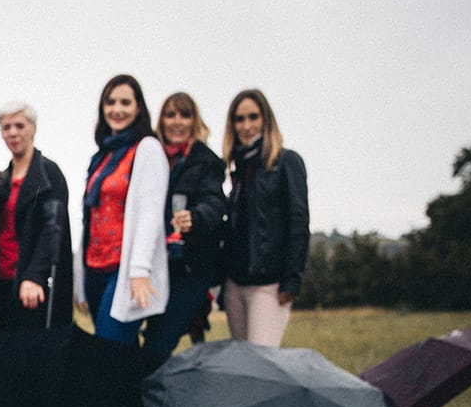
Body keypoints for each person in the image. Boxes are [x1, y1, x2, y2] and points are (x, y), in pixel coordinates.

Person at [80, 75, 169, 345]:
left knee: (108, 349)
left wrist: (139, 271)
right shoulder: (101, 157)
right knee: (116, 358)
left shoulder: (147, 149)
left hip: (126, 268)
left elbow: (149, 214)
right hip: (95, 266)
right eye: (110, 102)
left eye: (125, 102)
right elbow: (89, 217)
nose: (116, 109)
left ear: (138, 108)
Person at [219, 88, 309, 347]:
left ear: (265, 119)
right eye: (239, 119)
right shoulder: (237, 168)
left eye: (253, 117)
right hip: (235, 283)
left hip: (269, 284)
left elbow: (298, 222)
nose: (246, 125)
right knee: (244, 364)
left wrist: (292, 279)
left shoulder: (286, 162)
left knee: (263, 363)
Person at [154, 92, 229, 356]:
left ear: (194, 121)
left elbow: (215, 204)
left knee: (159, 343)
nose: (177, 122)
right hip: (156, 266)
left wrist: (195, 217)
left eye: (184, 115)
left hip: (190, 265)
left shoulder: (206, 161)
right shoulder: (152, 158)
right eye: (170, 114)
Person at [0, 102, 74, 332]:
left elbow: (52, 229)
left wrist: (34, 276)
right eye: (7, 127)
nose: (13, 132)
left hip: (30, 284)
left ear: (33, 129)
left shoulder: (49, 174)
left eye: (20, 125)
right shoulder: (1, 180)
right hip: (2, 283)